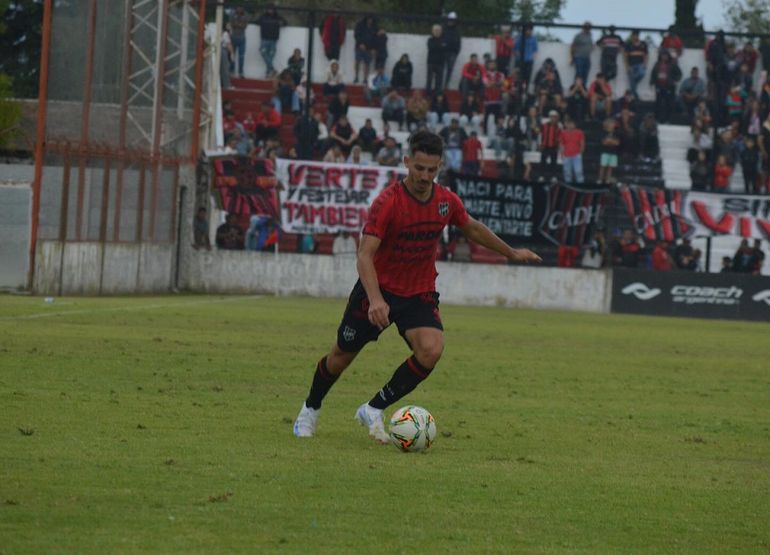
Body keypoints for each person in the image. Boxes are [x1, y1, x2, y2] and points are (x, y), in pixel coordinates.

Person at [292, 130, 541, 441]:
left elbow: (473, 229)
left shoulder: (445, 201)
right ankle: (310, 409)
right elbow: (364, 255)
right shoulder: (388, 202)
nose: (424, 176)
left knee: (431, 350)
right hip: (378, 290)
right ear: (407, 161)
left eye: (431, 170)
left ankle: (372, 408)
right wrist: (376, 300)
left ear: (439, 167)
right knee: (341, 356)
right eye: (419, 168)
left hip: (418, 293)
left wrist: (511, 252)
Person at [255, 4, 287, 78]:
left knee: (271, 57)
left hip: (274, 40)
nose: (270, 10)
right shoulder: (263, 17)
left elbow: (285, 23)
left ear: (274, 10)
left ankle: (268, 73)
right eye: (269, 9)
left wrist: (281, 23)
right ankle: (272, 69)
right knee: (263, 52)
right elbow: (256, 22)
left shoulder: (278, 17)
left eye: (272, 9)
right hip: (264, 39)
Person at [650, 50, 682, 123]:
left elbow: (679, 74)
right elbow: (653, 73)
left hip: (669, 87)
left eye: (666, 55)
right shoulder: (657, 64)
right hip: (659, 86)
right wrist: (652, 82)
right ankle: (657, 119)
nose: (664, 57)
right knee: (658, 103)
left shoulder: (673, 64)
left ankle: (668, 119)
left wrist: (674, 80)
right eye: (663, 55)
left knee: (669, 103)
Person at [559, 117, 584, 183]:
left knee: (578, 171)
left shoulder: (579, 132)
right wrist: (562, 153)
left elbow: (582, 143)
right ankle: (568, 184)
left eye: (572, 124)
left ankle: (580, 183)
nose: (570, 125)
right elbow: (561, 144)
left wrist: (580, 153)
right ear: (566, 125)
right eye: (569, 124)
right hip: (566, 155)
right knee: (567, 172)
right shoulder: (563, 133)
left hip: (576, 155)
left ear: (574, 125)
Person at [354, 15, 378, 84]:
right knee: (357, 62)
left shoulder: (374, 27)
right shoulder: (360, 25)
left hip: (369, 48)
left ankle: (365, 78)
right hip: (359, 47)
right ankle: (356, 77)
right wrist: (360, 43)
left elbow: (376, 39)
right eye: (369, 19)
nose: (370, 21)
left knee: (367, 63)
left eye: (371, 19)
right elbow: (356, 35)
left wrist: (374, 48)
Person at [624, 30, 648, 97]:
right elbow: (625, 56)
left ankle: (632, 89)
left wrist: (645, 64)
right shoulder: (628, 44)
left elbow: (645, 55)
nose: (635, 37)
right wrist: (627, 66)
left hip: (640, 64)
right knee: (632, 79)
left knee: (641, 74)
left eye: (636, 35)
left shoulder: (643, 44)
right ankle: (635, 95)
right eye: (633, 35)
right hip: (631, 64)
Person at [229, 7, 251, 78]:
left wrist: (237, 24)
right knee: (232, 55)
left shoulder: (246, 15)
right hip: (233, 38)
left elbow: (244, 26)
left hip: (242, 39)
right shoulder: (232, 14)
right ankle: (231, 70)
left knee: (241, 57)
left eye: (241, 8)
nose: (239, 9)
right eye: (238, 8)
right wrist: (239, 24)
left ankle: (240, 72)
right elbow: (232, 24)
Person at [426, 24, 447, 95]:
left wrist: (438, 47)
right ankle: (428, 93)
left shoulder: (444, 40)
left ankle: (437, 94)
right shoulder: (430, 40)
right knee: (429, 79)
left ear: (441, 31)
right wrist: (440, 46)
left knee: (439, 80)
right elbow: (431, 48)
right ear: (432, 31)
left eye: (439, 30)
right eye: (435, 30)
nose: (437, 32)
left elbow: (444, 49)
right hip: (431, 62)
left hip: (440, 63)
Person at [540, 110, 562, 176]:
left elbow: (560, 137)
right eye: (551, 117)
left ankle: (553, 176)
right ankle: (542, 176)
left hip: (554, 147)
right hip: (545, 146)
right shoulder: (544, 125)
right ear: (549, 117)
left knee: (553, 162)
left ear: (557, 118)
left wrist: (559, 147)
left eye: (554, 117)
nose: (553, 118)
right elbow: (540, 135)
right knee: (543, 162)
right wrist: (540, 144)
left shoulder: (559, 126)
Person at [443, 12, 462, 88]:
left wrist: (456, 52)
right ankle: (440, 85)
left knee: (449, 70)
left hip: (452, 53)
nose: (451, 22)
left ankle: (446, 85)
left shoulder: (457, 31)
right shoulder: (444, 28)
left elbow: (458, 42)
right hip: (443, 52)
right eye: (450, 20)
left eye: (452, 20)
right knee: (440, 69)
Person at [598, 118, 620, 184]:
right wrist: (612, 141)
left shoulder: (617, 133)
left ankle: (608, 180)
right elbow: (604, 142)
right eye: (611, 123)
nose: (612, 124)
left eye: (613, 123)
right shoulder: (603, 132)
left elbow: (617, 143)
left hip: (613, 153)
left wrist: (609, 141)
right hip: (605, 152)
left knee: (610, 167)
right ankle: (600, 179)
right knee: (603, 166)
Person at [220, 23, 234, 89]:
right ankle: (227, 85)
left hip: (222, 50)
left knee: (223, 68)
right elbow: (229, 44)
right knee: (225, 68)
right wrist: (232, 53)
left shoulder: (224, 33)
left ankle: (224, 84)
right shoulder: (225, 34)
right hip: (223, 50)